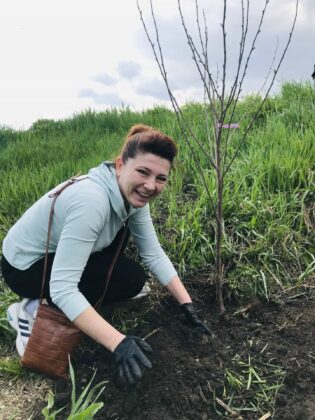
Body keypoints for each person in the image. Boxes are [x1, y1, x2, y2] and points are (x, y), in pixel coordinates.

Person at [1, 124, 210, 385]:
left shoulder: (131, 195)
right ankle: (31, 309)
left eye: (161, 178)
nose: (150, 185)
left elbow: (153, 253)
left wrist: (186, 303)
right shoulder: (92, 201)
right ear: (120, 165)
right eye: (143, 172)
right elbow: (64, 288)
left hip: (56, 256)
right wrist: (118, 342)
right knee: (74, 292)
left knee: (132, 280)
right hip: (25, 268)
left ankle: (61, 303)